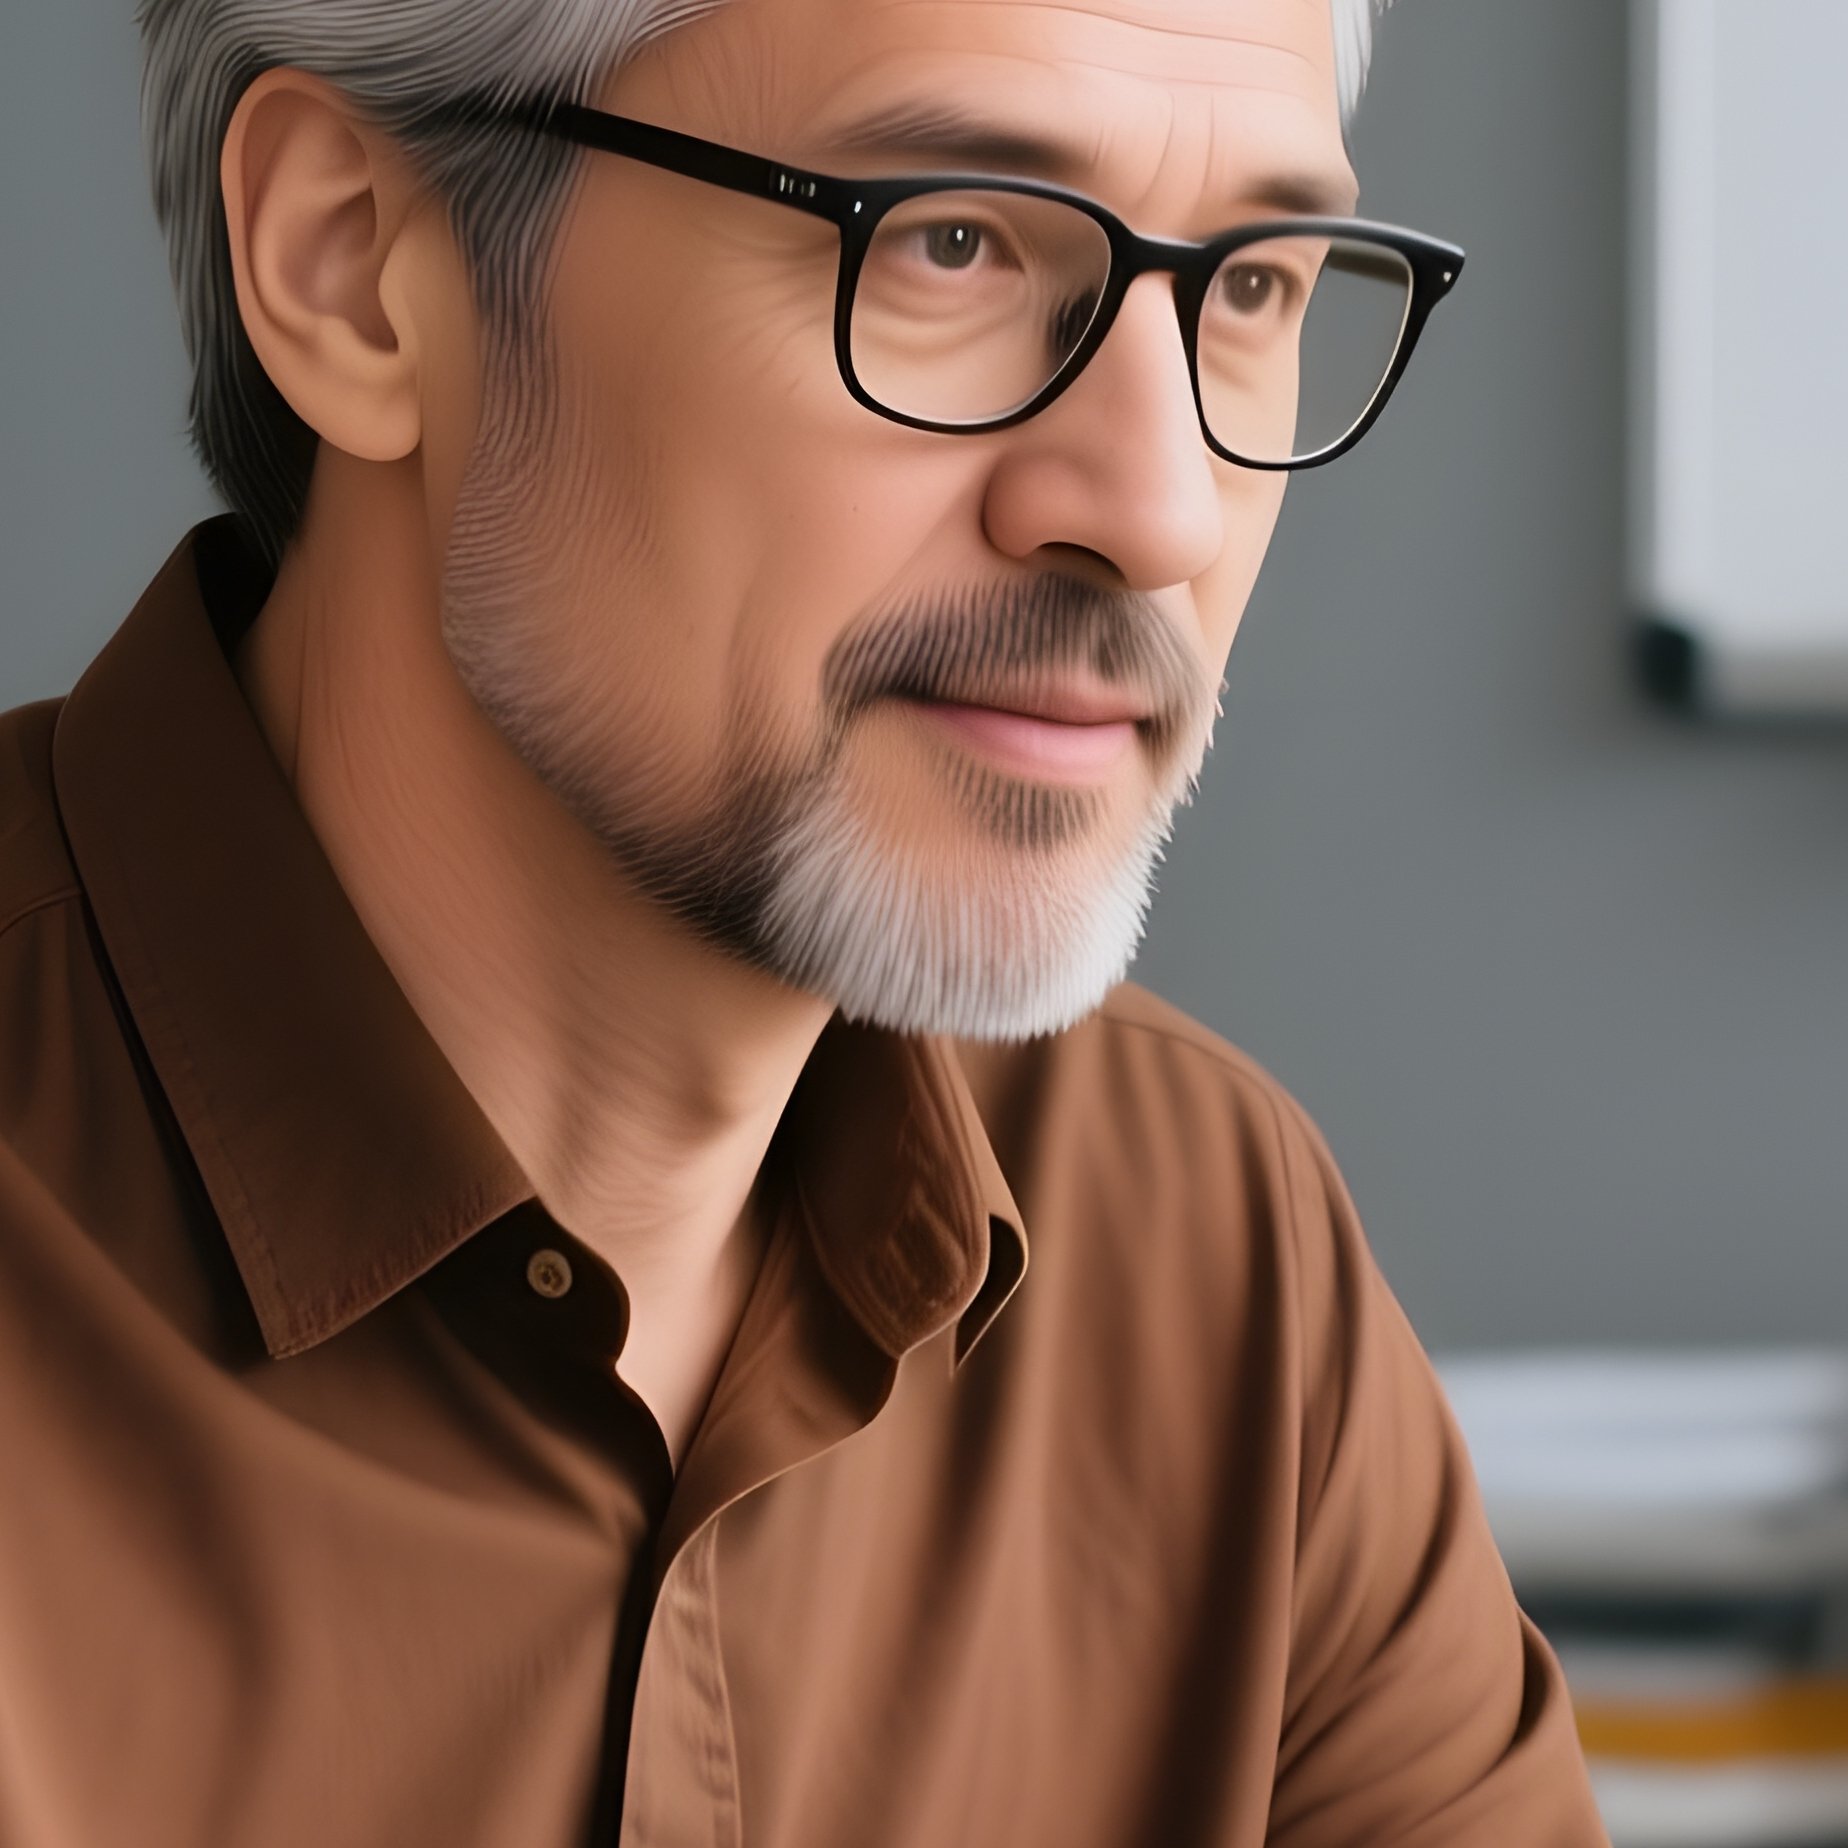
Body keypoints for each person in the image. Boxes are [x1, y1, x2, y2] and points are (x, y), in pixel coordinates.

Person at [0, 0, 1606, 1840]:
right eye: (951, 238)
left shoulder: (1220, 1264)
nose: (1159, 509)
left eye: (1248, 290)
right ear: (356, 267)